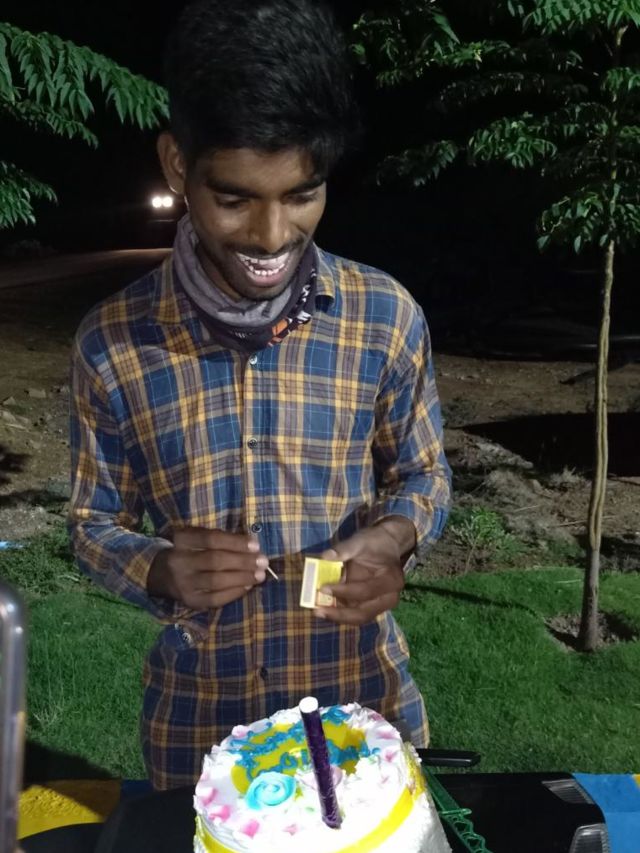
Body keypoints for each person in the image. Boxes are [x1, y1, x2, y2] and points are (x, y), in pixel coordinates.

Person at [68, 0, 451, 791]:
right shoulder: (111, 344)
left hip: (366, 723)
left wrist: (395, 540)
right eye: (236, 198)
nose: (272, 236)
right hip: (201, 738)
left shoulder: (384, 318)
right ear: (177, 165)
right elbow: (91, 522)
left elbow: (424, 475)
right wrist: (158, 569)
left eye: (302, 195)